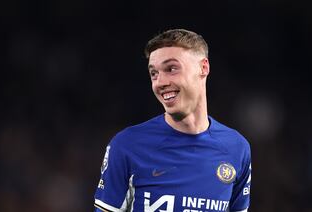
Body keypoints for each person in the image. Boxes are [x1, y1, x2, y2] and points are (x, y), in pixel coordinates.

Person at [94, 29, 251, 212]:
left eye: (171, 69)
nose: (160, 82)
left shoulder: (237, 148)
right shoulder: (127, 145)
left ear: (203, 67)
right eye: (154, 73)